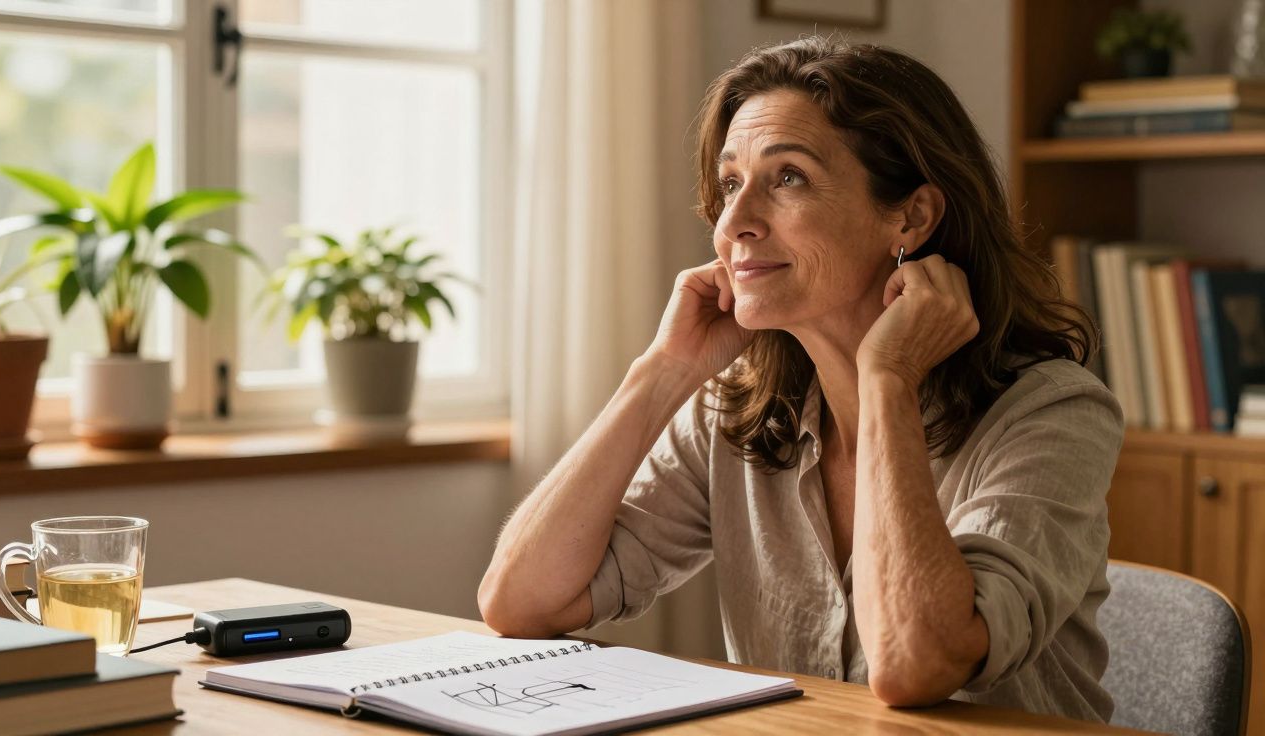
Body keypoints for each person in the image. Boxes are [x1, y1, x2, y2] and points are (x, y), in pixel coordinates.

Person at [479, 37, 1123, 722]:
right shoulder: (736, 414)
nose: (734, 224)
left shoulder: (1053, 414)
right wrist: (662, 370)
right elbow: (519, 602)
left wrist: (887, 381)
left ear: (912, 215)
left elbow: (916, 664)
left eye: (787, 178)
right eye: (731, 184)